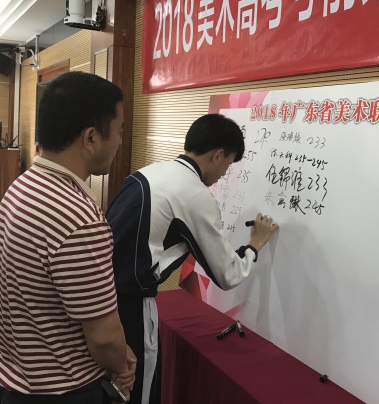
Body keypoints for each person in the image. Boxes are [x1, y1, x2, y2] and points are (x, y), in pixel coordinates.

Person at [106, 113, 280, 404]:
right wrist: (255, 244)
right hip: (131, 306)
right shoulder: (194, 194)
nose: (224, 174)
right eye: (228, 165)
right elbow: (228, 274)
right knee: (138, 391)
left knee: (112, 386)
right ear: (218, 155)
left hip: (102, 295)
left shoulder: (148, 172)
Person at [0, 71, 136, 403]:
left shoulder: (24, 184)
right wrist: (121, 361)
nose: (119, 141)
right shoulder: (79, 218)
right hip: (59, 391)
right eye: (119, 130)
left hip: (13, 378)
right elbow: (104, 339)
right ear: (91, 137)